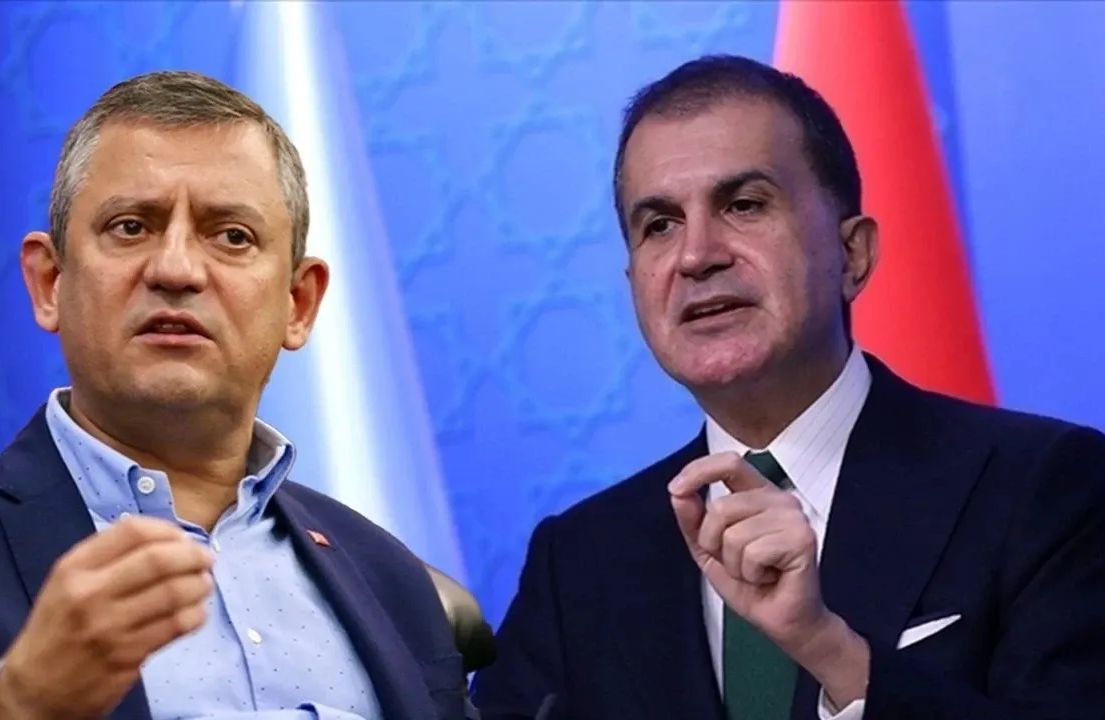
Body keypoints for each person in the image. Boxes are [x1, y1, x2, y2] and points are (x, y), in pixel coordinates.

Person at [470, 54, 1105, 720]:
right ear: (634, 284)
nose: (696, 256)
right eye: (659, 225)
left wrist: (831, 651)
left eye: (744, 205)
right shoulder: (580, 562)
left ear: (852, 254)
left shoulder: (1044, 491)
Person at [0, 71, 465, 720]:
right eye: (131, 227)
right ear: (49, 283)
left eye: (232, 236)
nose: (176, 270)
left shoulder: (389, 576)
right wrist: (21, 704)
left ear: (298, 303)